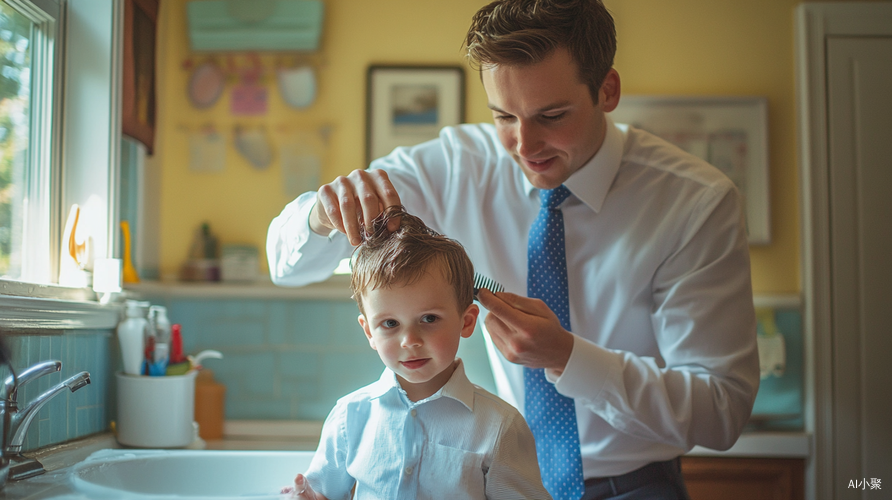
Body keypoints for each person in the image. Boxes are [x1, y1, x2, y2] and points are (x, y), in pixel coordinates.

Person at [268, 0, 760, 498]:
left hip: (636, 486)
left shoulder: (696, 203)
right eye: (504, 115)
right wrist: (319, 214)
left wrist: (568, 356)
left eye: (552, 116)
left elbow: (722, 412)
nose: (525, 145)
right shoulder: (457, 166)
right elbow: (285, 267)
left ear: (607, 90)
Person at [281, 206, 552, 500]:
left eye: (429, 319)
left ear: (467, 321)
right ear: (370, 332)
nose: (409, 340)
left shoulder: (500, 427)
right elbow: (321, 494)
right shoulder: (349, 417)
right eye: (390, 323)